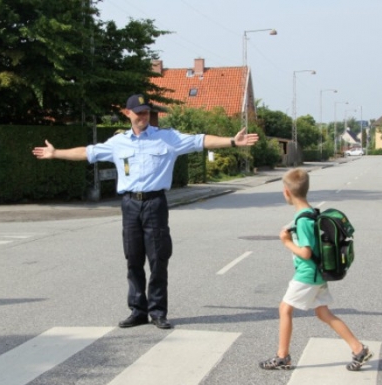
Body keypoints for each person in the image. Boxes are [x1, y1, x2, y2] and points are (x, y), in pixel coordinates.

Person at [32, 93, 259, 330]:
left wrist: (233, 141)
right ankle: (137, 311)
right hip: (130, 205)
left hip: (155, 204)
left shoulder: (167, 138)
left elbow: (200, 141)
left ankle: (158, 311)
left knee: (158, 258)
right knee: (133, 258)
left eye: (147, 112)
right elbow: (87, 153)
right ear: (127, 113)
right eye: (139, 112)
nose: (144, 117)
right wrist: (55, 153)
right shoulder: (118, 142)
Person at [259, 168, 372, 371]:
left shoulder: (302, 220)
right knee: (323, 313)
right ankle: (358, 349)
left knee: (284, 309)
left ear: (286, 192)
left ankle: (282, 356)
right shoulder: (311, 213)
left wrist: (286, 241)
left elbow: (305, 253)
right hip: (318, 273)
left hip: (307, 274)